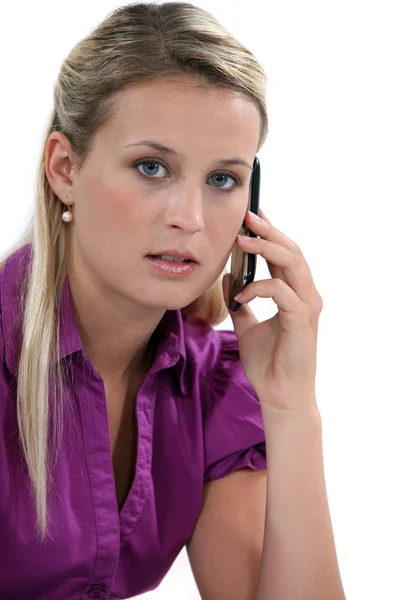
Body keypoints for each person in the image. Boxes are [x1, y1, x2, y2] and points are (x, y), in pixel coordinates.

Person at [0, 3, 347, 600]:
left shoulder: (212, 384)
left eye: (222, 180)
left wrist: (292, 411)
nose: (189, 219)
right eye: (152, 166)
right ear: (64, 169)